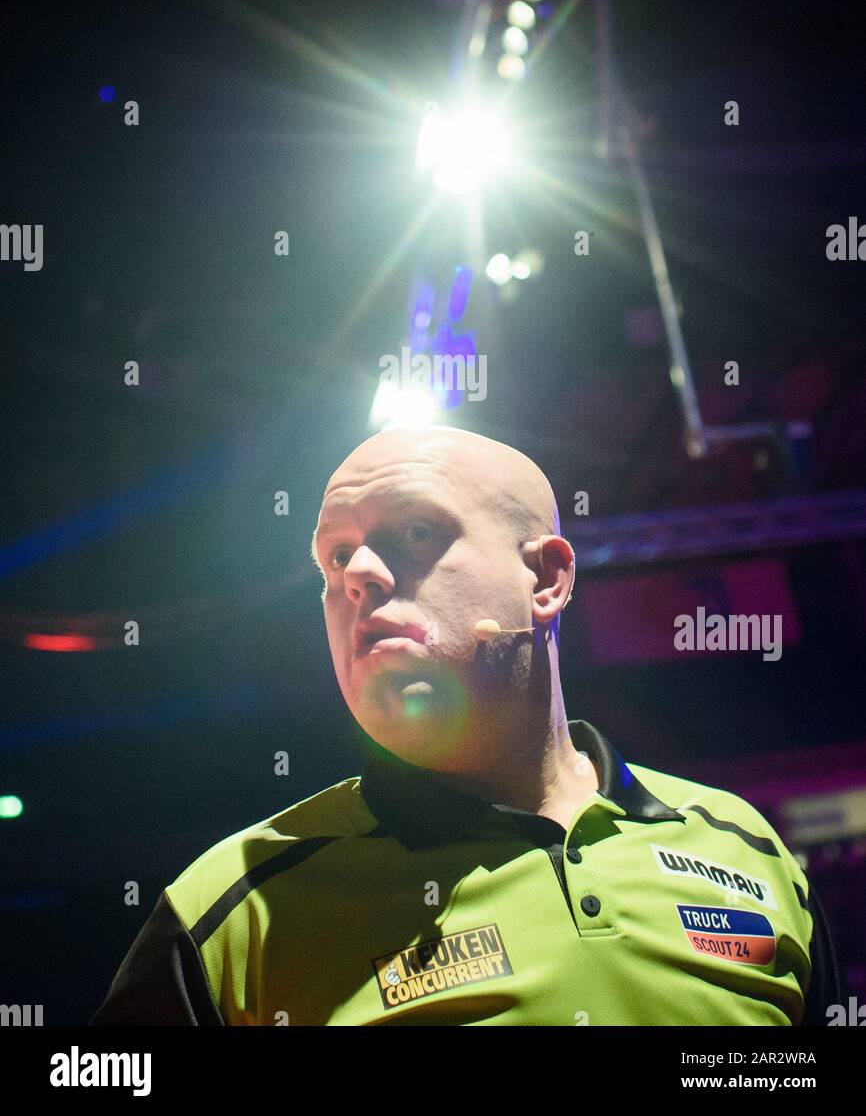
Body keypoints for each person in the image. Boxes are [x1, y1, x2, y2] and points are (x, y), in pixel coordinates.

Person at [90, 425, 841, 1025]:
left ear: (546, 579)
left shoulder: (749, 850)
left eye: (416, 532)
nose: (359, 576)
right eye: (336, 557)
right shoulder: (235, 910)